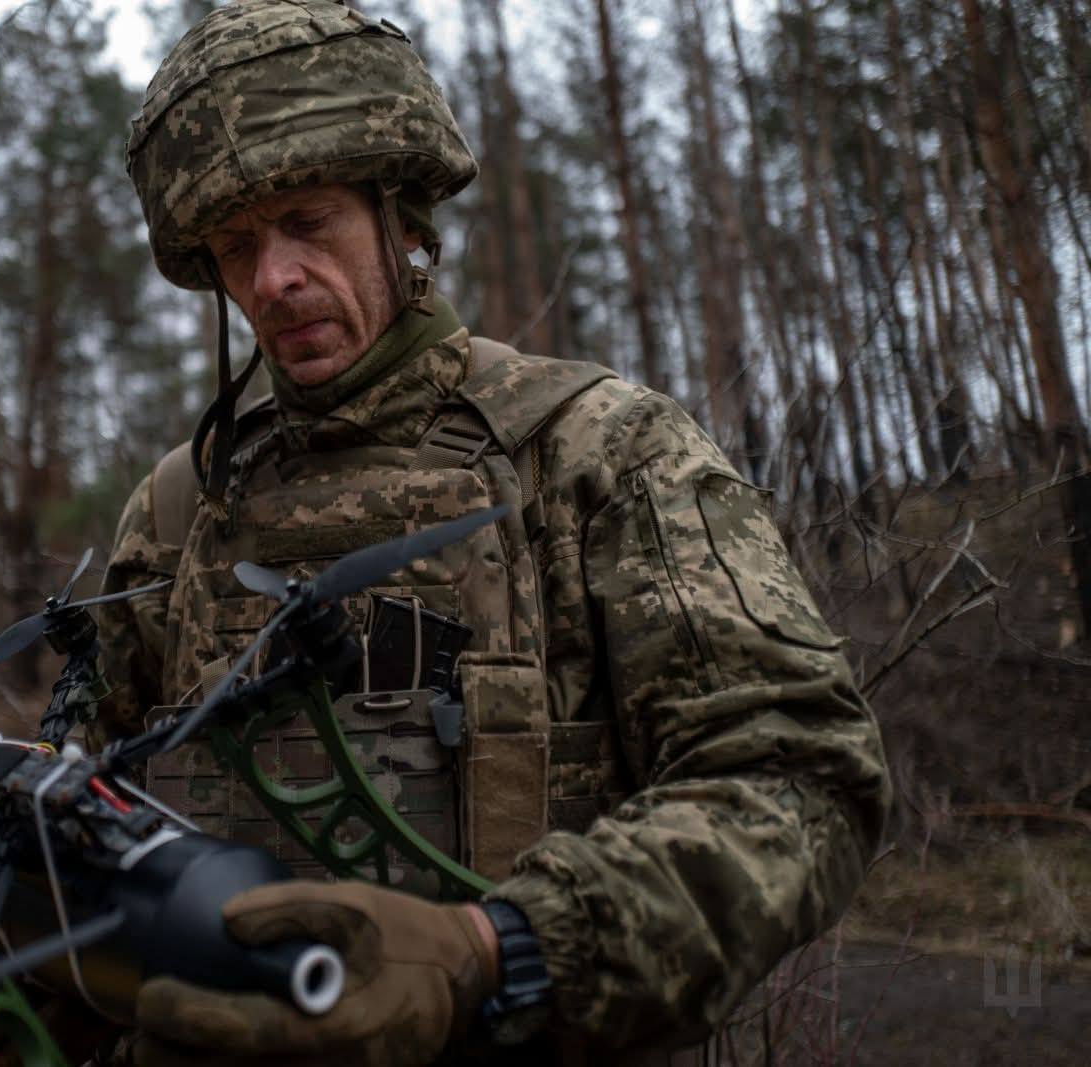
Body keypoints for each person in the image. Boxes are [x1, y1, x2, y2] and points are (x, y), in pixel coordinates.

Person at [89, 2, 892, 1064]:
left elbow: (799, 779)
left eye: (309, 219)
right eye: (237, 246)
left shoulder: (597, 453)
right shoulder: (180, 510)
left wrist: (494, 949)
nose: (273, 278)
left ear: (401, 218)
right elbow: (96, 801)